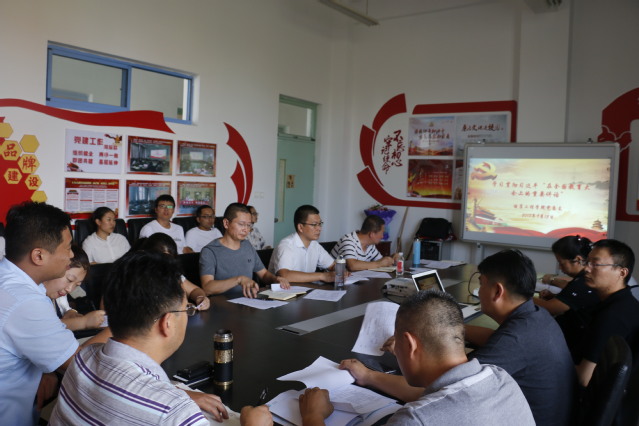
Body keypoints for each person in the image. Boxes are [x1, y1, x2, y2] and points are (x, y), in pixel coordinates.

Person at [299, 291, 535, 425]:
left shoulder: (415, 419)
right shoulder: (501, 378)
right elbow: (437, 395)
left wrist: (313, 415)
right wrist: (369, 376)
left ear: (410, 344)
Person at [49, 251, 232, 424]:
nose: (187, 314)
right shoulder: (176, 414)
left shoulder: (83, 358)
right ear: (167, 323)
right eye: (187, 309)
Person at [0, 202, 110, 426]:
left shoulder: (11, 282)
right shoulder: (26, 301)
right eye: (67, 248)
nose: (71, 255)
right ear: (39, 256)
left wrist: (45, 370)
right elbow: (81, 366)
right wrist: (122, 326)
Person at [464, 249, 575, 426]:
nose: (479, 291)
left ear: (497, 291)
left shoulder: (516, 338)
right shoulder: (537, 315)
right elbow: (495, 338)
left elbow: (454, 387)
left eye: (481, 284)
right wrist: (452, 327)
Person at [571, 239, 639, 387]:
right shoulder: (623, 302)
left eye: (595, 264)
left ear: (622, 272)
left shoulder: (613, 316)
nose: (586, 269)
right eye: (587, 262)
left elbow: (585, 378)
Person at [200, 203, 289, 298]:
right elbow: (207, 287)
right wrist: (238, 280)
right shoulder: (210, 251)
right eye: (241, 224)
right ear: (226, 223)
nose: (246, 230)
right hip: (223, 303)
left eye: (248, 225)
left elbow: (264, 274)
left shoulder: (247, 245)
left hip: (249, 300)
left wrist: (276, 279)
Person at [138, 233, 211, 310]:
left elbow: (194, 290)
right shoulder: (141, 277)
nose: (166, 264)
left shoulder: (172, 272)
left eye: (170, 260)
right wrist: (180, 306)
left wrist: (200, 298)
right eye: (163, 259)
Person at [43, 245, 106, 331]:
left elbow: (66, 308)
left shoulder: (59, 293)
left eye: (77, 285)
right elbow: (43, 327)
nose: (69, 289)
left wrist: (71, 312)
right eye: (69, 280)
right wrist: (84, 322)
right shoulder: (31, 297)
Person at [269, 205, 336, 283]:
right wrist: (322, 276)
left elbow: (332, 265)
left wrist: (340, 270)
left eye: (320, 224)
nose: (319, 228)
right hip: (284, 290)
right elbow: (284, 275)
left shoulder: (315, 245)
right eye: (314, 224)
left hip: (307, 288)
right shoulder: (286, 245)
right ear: (300, 227)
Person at [330, 215, 396, 271]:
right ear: (372, 234)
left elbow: (381, 261)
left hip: (354, 280)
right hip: (333, 280)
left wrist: (393, 258)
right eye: (382, 233)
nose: (382, 236)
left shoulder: (370, 245)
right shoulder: (348, 240)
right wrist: (379, 264)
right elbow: (352, 266)